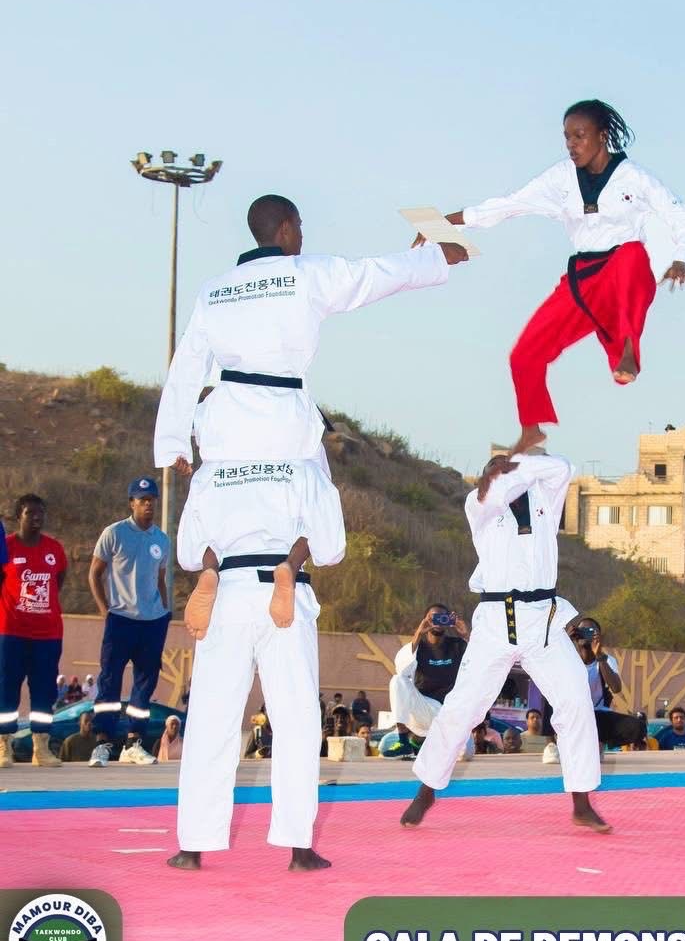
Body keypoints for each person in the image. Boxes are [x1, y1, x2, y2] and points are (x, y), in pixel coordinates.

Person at [154, 194, 468, 634]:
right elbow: (371, 275)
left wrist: (172, 442)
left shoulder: (215, 290)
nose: (302, 236)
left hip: (226, 418)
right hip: (283, 415)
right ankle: (288, 566)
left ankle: (212, 569)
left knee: (216, 496)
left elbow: (186, 366)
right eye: (299, 226)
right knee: (315, 494)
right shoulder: (303, 274)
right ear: (284, 228)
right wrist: (438, 258)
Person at [422, 100, 685, 453]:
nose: (572, 144)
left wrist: (681, 257)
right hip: (582, 280)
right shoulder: (561, 178)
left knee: (631, 254)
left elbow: (679, 215)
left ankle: (628, 348)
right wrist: (447, 222)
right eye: (567, 137)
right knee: (523, 355)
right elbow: (509, 204)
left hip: (624, 273)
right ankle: (531, 429)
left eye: (580, 136)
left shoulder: (634, 178)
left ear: (602, 136)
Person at [400, 453, 607, 832]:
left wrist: (520, 459)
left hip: (542, 620)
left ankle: (581, 800)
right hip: (495, 621)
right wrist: (498, 473)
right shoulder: (480, 505)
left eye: (507, 467)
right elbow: (484, 492)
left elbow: (562, 466)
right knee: (463, 707)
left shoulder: (547, 498)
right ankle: (426, 790)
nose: (501, 473)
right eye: (493, 469)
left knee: (576, 699)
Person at [165, 444, 346, 873]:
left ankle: (192, 845)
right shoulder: (304, 461)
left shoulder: (212, 470)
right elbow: (330, 544)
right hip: (284, 594)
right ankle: (298, 847)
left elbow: (191, 549)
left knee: (212, 721)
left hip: (227, 591)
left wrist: (210, 566)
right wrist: (291, 559)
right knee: (296, 723)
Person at [88, 479, 170, 765]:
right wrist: (104, 609)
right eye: (142, 499)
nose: (148, 504)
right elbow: (94, 574)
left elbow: (160, 580)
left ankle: (133, 743)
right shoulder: (114, 533)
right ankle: (103, 743)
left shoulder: (162, 539)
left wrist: (165, 610)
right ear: (131, 502)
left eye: (152, 500)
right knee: (110, 680)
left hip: (152, 622)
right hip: (120, 619)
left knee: (145, 683)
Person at [0, 494, 67, 768]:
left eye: (41, 513)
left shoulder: (55, 549)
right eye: (30, 513)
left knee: (44, 691)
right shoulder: (6, 547)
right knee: (6, 689)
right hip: (11, 633)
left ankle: (41, 747)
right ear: (19, 516)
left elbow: (57, 582)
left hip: (47, 636)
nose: (37, 517)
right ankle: (4, 746)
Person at [387, 604, 470, 756]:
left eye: (442, 618)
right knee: (397, 680)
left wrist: (466, 635)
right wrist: (418, 634)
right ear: (425, 620)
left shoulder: (458, 645)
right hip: (424, 708)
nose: (438, 622)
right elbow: (402, 669)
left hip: (449, 712)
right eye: (434, 618)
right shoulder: (418, 647)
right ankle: (403, 741)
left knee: (465, 753)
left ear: (449, 621)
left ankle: (425, 745)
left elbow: (480, 663)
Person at [568, 617, 646, 750]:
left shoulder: (607, 659)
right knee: (548, 694)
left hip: (597, 716)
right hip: (572, 715)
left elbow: (616, 688)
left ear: (598, 636)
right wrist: (565, 643)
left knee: (638, 726)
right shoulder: (567, 658)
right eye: (582, 630)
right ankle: (552, 744)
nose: (585, 634)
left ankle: (598, 743)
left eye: (590, 631)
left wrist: (599, 655)